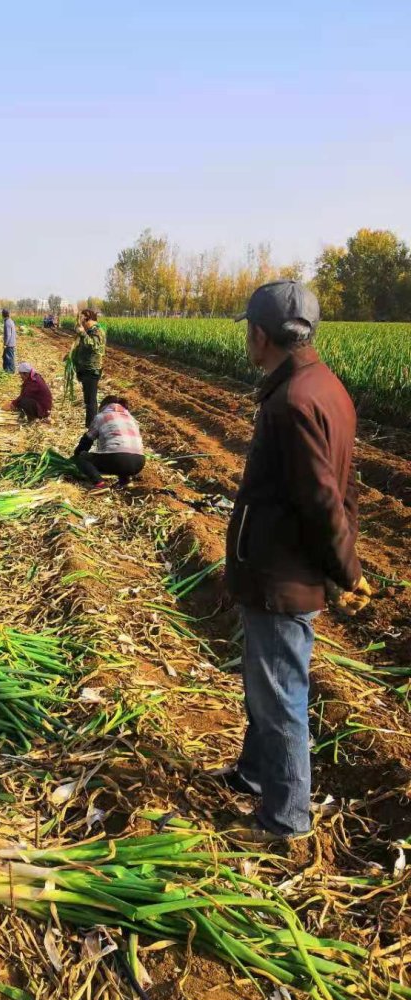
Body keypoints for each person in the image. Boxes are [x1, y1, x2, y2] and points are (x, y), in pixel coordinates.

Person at [219, 280, 372, 842]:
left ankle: (285, 822)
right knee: (267, 684)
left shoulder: (293, 402)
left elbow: (321, 500)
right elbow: (341, 488)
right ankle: (255, 773)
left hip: (281, 578)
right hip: (282, 570)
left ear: (261, 335)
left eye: (248, 333)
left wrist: (347, 571)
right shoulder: (325, 386)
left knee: (281, 693)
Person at [73, 395, 144, 488]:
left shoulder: (101, 416)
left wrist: (77, 455)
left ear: (104, 406)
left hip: (116, 459)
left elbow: (88, 439)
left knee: (83, 457)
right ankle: (125, 481)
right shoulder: (132, 419)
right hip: (139, 462)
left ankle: (99, 483)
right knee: (121, 450)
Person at [68, 308, 105, 426]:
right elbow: (82, 346)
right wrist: (71, 355)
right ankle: (90, 424)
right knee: (88, 399)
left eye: (83, 321)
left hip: (91, 369)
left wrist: (82, 333)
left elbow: (93, 345)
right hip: (85, 369)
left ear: (88, 319)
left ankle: (92, 425)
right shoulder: (89, 331)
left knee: (91, 400)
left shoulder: (97, 331)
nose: (82, 324)